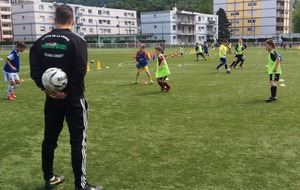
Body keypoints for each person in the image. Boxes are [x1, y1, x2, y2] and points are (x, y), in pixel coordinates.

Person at [29, 4, 103, 190]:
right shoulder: (77, 41)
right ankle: (81, 185)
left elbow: (35, 72)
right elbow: (79, 72)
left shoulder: (40, 41)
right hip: (73, 100)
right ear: (73, 21)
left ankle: (50, 178)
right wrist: (67, 92)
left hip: (51, 99)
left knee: (49, 140)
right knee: (78, 142)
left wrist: (47, 90)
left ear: (54, 20)